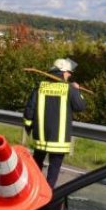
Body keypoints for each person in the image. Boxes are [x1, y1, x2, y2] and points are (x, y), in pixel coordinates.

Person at [23, 58, 86, 187]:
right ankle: (48, 193)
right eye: (69, 72)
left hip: (41, 138)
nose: (70, 75)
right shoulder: (70, 89)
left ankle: (34, 188)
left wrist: (28, 127)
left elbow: (29, 110)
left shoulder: (40, 87)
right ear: (63, 72)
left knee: (37, 164)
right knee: (54, 168)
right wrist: (77, 91)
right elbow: (80, 106)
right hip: (59, 140)